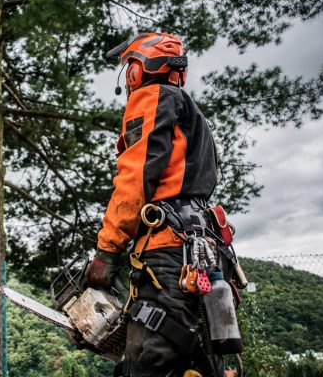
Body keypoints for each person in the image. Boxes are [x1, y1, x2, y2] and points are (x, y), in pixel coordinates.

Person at [85, 32, 224, 377]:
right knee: (195, 362)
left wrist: (106, 251)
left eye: (129, 69)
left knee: (150, 362)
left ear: (138, 69)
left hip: (167, 254)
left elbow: (135, 180)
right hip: (202, 253)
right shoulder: (192, 115)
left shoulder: (151, 97)